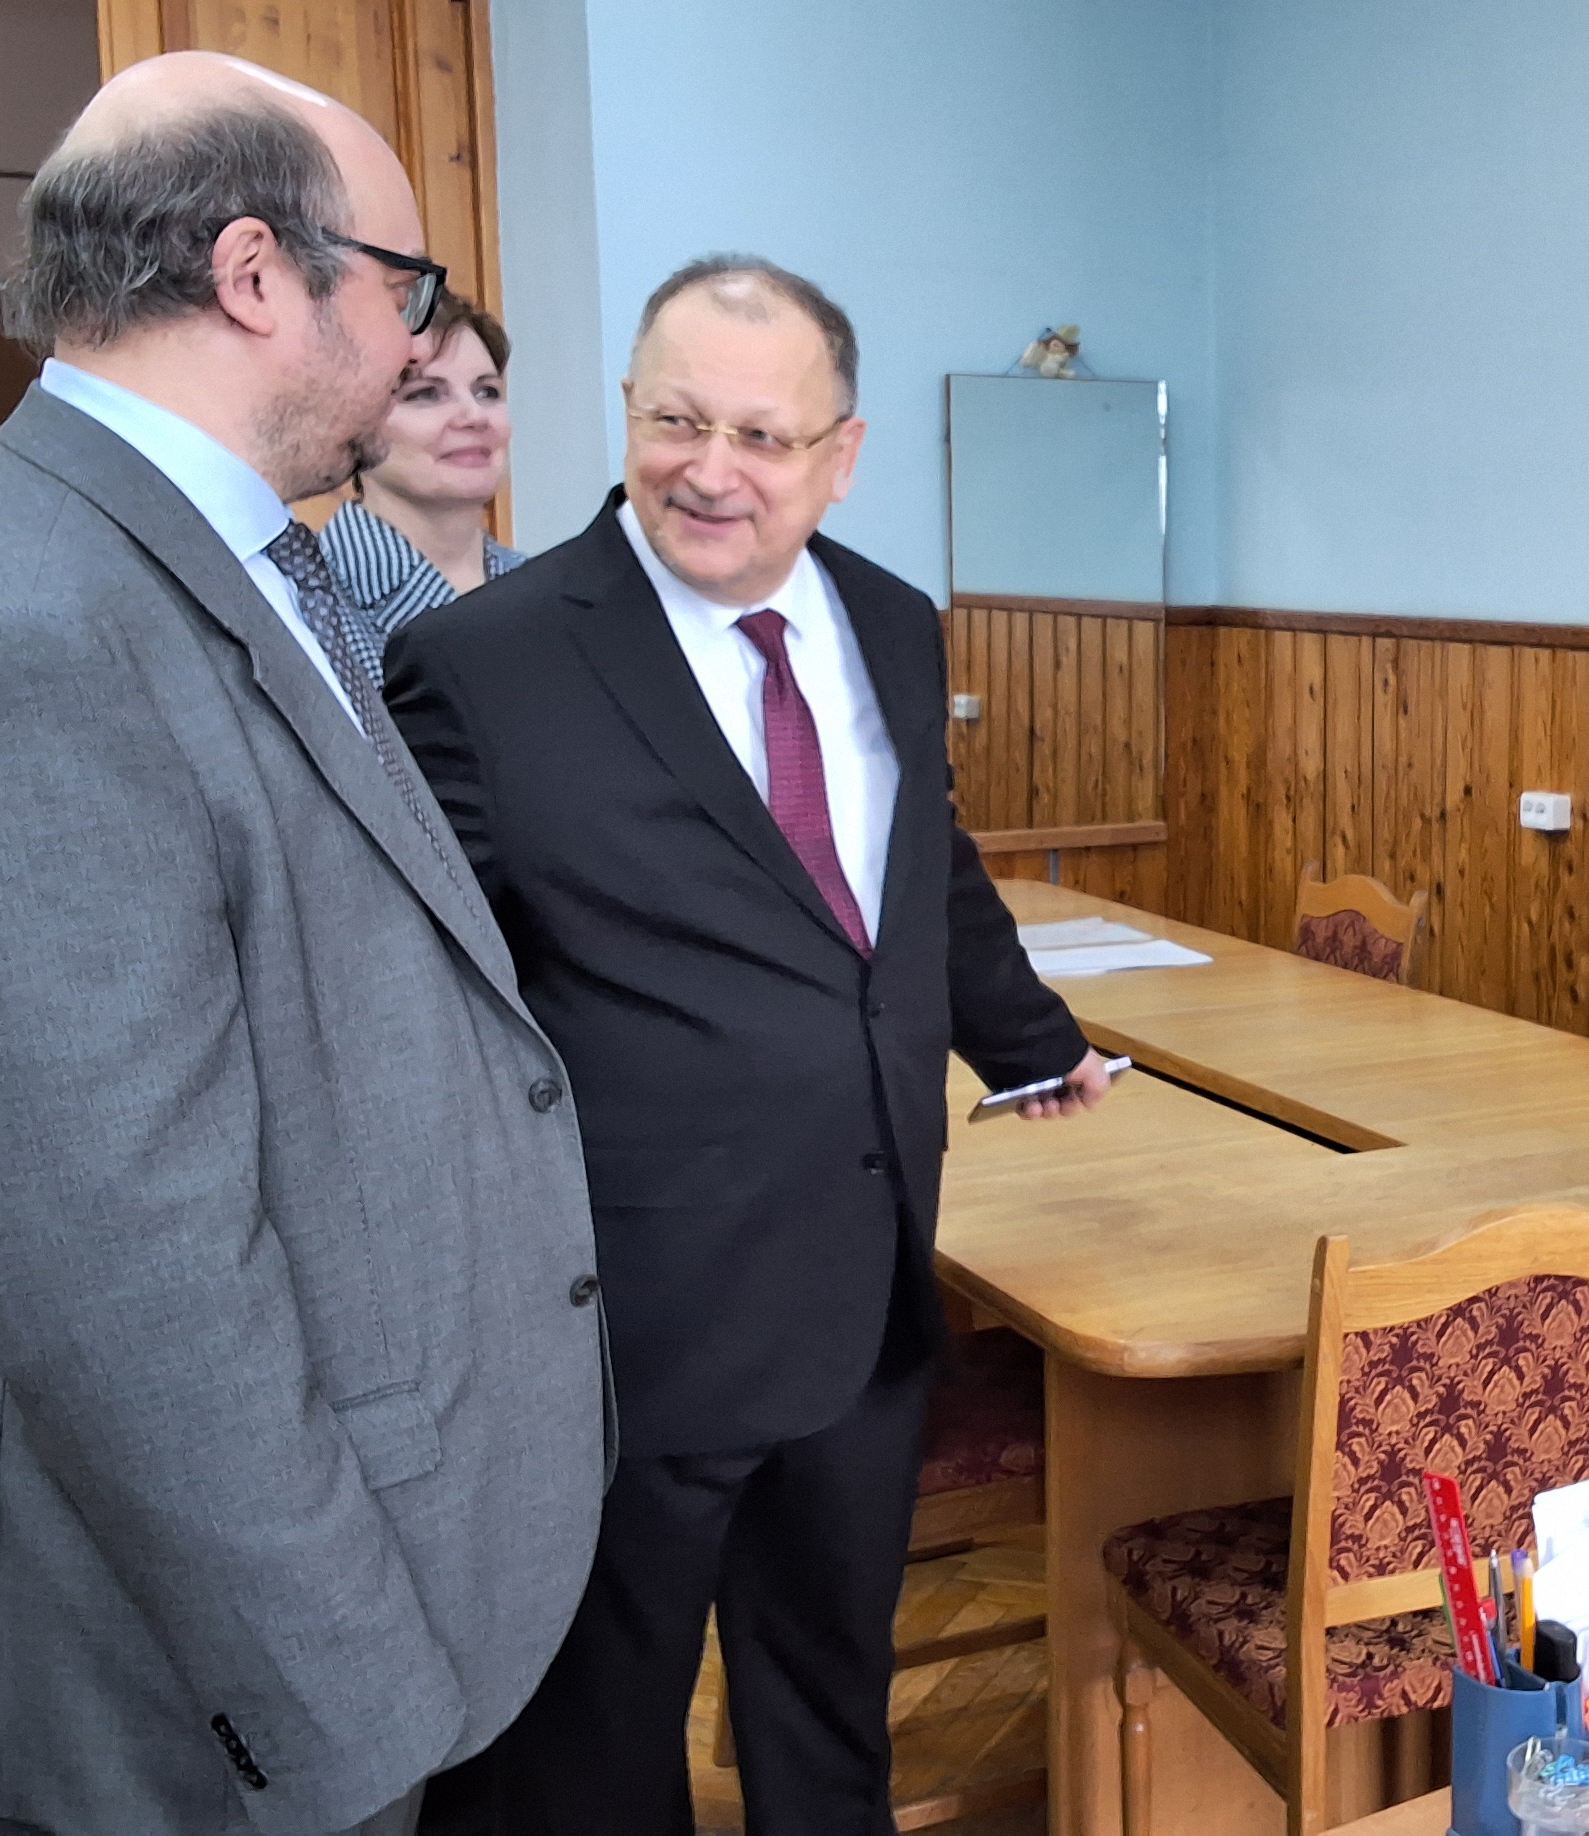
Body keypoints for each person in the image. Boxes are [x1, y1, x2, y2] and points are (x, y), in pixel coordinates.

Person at [0, 53, 607, 1836]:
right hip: (199, 1683)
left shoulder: (226, 551)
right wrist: (351, 1701)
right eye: (403, 287)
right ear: (257, 274)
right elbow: (124, 1275)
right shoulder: (28, 625)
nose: (417, 343)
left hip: (340, 1561)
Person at [387, 254, 1113, 1836]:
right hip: (631, 1329)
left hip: (867, 1290)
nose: (710, 469)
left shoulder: (896, 626)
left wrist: (1028, 1042)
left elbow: (917, 867)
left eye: (762, 437)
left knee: (831, 1714)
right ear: (627, 412)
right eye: (675, 420)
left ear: (840, 456)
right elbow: (424, 1012)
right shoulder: (488, 664)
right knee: (593, 1754)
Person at [323, 290, 523, 634]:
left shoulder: (549, 590)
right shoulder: (304, 600)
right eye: (425, 393)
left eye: (487, 391)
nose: (475, 416)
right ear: (351, 423)